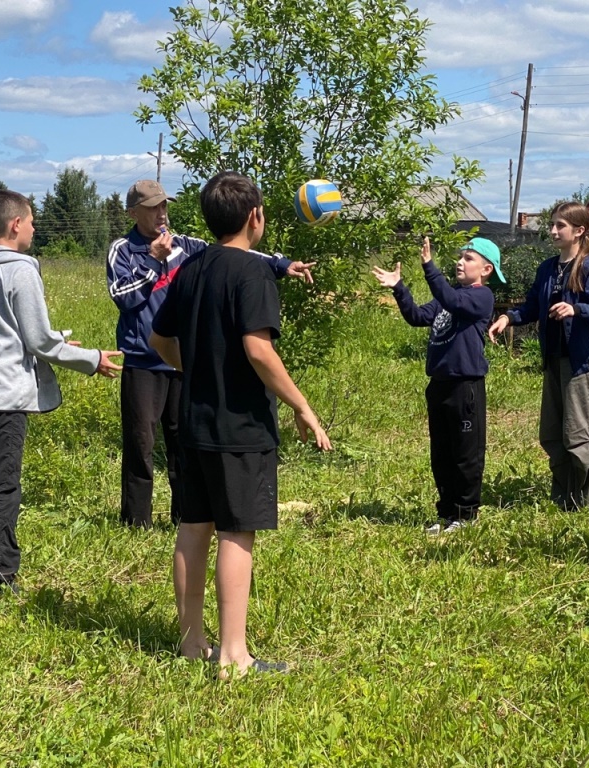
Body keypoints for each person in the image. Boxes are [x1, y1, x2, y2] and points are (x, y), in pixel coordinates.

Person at [150, 171, 331, 676]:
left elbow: (159, 341)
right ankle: (233, 655)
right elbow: (258, 350)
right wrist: (302, 406)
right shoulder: (253, 273)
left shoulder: (190, 269)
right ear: (256, 217)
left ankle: (192, 643)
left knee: (193, 528)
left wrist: (196, 369)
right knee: (236, 532)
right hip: (240, 427)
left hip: (194, 422)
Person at [107, 179, 314, 528]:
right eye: (153, 207)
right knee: (140, 444)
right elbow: (123, 297)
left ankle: (185, 516)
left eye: (164, 205)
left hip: (182, 360)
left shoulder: (187, 246)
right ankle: (136, 522)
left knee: (182, 443)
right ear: (133, 213)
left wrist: (282, 265)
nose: (162, 213)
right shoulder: (123, 250)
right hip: (143, 360)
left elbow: (234, 252)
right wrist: (153, 261)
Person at [0, 190, 122, 593]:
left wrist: (55, 339)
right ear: (15, 225)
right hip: (2, 393)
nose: (33, 227)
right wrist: (92, 359)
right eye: (30, 221)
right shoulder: (19, 270)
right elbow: (39, 342)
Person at [372, 236, 503, 534]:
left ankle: (466, 515)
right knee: (441, 454)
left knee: (465, 454)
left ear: (486, 270)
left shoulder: (482, 296)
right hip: (439, 385)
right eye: (460, 256)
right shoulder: (450, 295)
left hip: (465, 387)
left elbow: (452, 301)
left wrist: (430, 267)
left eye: (468, 258)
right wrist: (399, 288)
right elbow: (417, 317)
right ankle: (446, 513)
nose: (460, 262)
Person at [489, 201, 589, 510]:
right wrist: (508, 318)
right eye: (552, 224)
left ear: (579, 231)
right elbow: (533, 305)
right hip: (554, 360)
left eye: (560, 225)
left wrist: (576, 309)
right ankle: (564, 499)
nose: (553, 231)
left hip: (582, 362)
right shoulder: (547, 268)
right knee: (553, 434)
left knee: (581, 435)